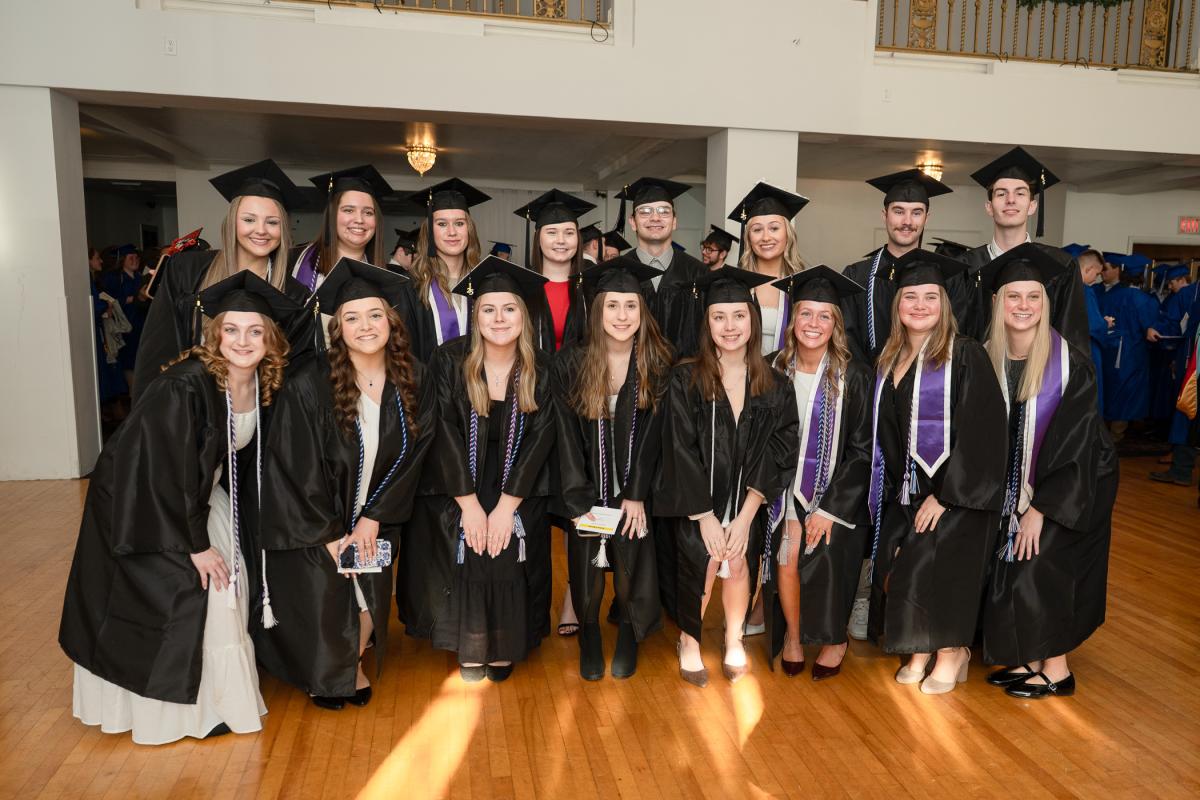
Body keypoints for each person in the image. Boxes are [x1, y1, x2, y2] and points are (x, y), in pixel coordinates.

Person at [60, 271, 299, 744]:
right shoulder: (186, 385)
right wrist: (196, 545)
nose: (243, 340)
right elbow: (160, 472)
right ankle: (179, 714)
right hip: (147, 505)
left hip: (196, 496)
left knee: (229, 590)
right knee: (205, 589)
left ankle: (216, 704)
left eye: (255, 331)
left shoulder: (258, 383)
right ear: (215, 334)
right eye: (231, 329)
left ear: (271, 340)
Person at [256, 259, 433, 710]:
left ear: (391, 321)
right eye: (351, 318)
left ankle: (349, 659)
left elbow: (417, 454)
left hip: (380, 512)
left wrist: (373, 518)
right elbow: (296, 464)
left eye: (375, 315)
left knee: (372, 583)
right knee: (329, 586)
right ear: (336, 328)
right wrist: (332, 532)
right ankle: (333, 670)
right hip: (316, 518)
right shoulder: (308, 383)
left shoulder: (414, 376)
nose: (365, 326)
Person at [398, 258, 557, 683]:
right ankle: (468, 644)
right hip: (458, 479)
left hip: (519, 481)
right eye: (489, 309)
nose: (499, 318)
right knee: (466, 544)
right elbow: (442, 431)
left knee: (506, 546)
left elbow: (542, 437)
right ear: (475, 313)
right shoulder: (449, 360)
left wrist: (507, 505)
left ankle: (503, 644)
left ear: (524, 315)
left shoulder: (542, 366)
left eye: (510, 309)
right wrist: (468, 503)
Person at [978, 243, 1117, 698]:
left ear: (1046, 303)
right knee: (1017, 565)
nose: (1023, 306)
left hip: (1075, 483)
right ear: (999, 303)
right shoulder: (986, 357)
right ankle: (1029, 657)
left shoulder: (1068, 362)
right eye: (1013, 297)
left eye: (1033, 297)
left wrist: (1042, 507)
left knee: (1046, 564)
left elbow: (1074, 444)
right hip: (1019, 484)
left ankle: (1056, 669)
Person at [866, 250, 1006, 695]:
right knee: (904, 566)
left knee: (943, 566)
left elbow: (985, 433)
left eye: (931, 297)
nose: (920, 305)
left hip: (959, 492)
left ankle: (951, 651)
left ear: (945, 304)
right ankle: (921, 648)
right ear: (897, 304)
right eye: (911, 296)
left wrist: (945, 494)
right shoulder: (887, 360)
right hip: (907, 490)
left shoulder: (964, 355)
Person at [654, 266, 799, 686]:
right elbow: (678, 448)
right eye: (719, 316)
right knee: (700, 565)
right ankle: (690, 641)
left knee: (738, 563)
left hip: (745, 503)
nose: (730, 326)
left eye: (739, 316)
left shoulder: (775, 384)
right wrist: (704, 517)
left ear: (754, 322)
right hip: (697, 504)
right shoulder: (684, 379)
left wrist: (747, 513)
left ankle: (734, 638)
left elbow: (781, 447)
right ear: (706, 323)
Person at [552, 256, 673, 680]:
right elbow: (565, 437)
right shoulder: (572, 363)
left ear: (643, 312)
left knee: (630, 572)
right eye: (612, 306)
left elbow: (657, 437)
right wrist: (578, 500)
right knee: (586, 571)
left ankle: (628, 633)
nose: (622, 316)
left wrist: (636, 493)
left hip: (636, 489)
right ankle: (589, 631)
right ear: (597, 310)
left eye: (631, 306)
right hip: (587, 486)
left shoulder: (659, 364)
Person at [765, 267, 873, 681]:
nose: (813, 324)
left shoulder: (855, 376)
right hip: (782, 488)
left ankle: (835, 639)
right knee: (788, 557)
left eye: (824, 316)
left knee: (828, 557)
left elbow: (863, 449)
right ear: (793, 321)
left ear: (836, 324)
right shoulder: (771, 369)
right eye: (806, 314)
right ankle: (793, 636)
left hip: (836, 491)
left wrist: (829, 508)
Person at [132, 160, 311, 400]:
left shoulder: (293, 294)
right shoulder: (188, 270)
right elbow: (158, 349)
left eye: (272, 222)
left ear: (284, 229)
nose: (261, 230)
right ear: (232, 222)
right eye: (249, 219)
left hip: (260, 413)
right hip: (191, 407)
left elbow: (294, 373)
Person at [960, 147, 1090, 356]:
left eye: (1020, 193)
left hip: (1042, 381)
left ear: (1032, 206)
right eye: (1001, 193)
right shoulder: (965, 267)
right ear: (989, 207)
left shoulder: (1061, 265)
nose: (1010, 200)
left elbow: (1072, 336)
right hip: (976, 377)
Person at [841, 169, 955, 366]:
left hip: (929, 386)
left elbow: (955, 335)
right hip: (868, 387)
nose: (907, 222)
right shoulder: (856, 276)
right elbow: (846, 339)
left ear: (927, 217)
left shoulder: (948, 277)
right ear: (885, 215)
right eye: (899, 211)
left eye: (916, 213)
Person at [615, 177, 707, 354]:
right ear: (633, 222)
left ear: (674, 221)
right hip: (631, 375)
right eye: (645, 211)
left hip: (685, 376)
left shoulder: (698, 273)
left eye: (664, 211)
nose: (655, 217)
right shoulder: (617, 272)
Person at [404, 178, 491, 362]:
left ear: (469, 229)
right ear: (429, 231)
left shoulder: (484, 281)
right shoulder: (413, 286)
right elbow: (407, 351)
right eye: (442, 224)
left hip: (480, 386)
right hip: (430, 386)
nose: (452, 232)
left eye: (459, 223)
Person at [728, 182, 811, 356]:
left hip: (788, 377)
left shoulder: (804, 284)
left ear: (787, 233)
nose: (766, 237)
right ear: (748, 238)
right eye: (757, 230)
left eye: (774, 228)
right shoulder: (734, 283)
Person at [513, 188, 597, 352]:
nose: (561, 240)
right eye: (552, 233)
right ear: (538, 239)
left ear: (578, 239)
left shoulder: (592, 288)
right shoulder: (520, 288)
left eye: (569, 233)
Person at [293, 165, 394, 293]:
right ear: (332, 215)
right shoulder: (292, 263)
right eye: (348, 210)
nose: (359, 219)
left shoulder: (392, 281)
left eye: (368, 212)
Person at [1095, 253, 1158, 441]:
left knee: (1111, 387)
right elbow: (1150, 326)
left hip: (1111, 346)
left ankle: (1105, 431)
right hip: (1130, 349)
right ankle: (1116, 434)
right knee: (1126, 391)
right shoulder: (1141, 298)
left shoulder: (1112, 294)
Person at [1150, 265, 1199, 484]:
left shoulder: (1191, 294)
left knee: (1186, 413)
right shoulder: (1191, 293)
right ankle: (1181, 469)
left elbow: (1175, 326)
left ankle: (1181, 470)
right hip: (1192, 359)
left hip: (1193, 363)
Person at [102, 244, 148, 387]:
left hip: (141, 324)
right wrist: (130, 299)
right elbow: (108, 300)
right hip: (124, 327)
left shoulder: (142, 278)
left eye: (136, 257)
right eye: (131, 257)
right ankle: (132, 395)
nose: (135, 260)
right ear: (122, 260)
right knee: (128, 360)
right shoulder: (114, 279)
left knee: (141, 359)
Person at [1076, 248, 1111, 415]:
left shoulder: (1063, 286)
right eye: (1096, 274)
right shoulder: (1085, 290)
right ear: (1088, 269)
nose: (1096, 278)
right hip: (1087, 348)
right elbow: (1094, 326)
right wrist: (1105, 324)